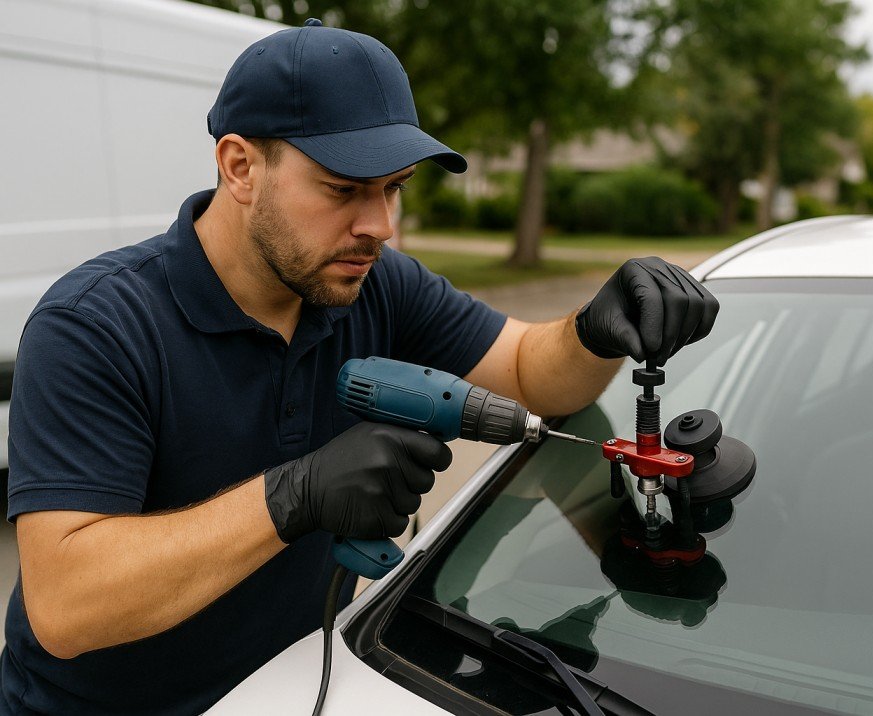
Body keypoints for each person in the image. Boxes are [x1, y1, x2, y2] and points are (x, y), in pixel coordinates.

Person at [0, 19, 718, 715]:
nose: (380, 225)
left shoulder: (374, 281)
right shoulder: (97, 325)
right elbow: (67, 607)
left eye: (393, 187)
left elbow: (533, 374)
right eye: (344, 189)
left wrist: (592, 330)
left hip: (305, 691)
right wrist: (293, 496)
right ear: (240, 166)